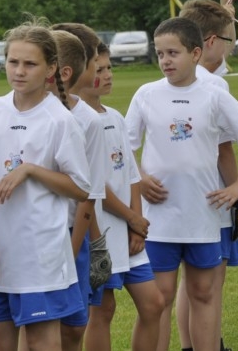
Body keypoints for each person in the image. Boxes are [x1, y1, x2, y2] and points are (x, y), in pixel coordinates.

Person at [125, 17, 238, 351]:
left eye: (173, 53)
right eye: (160, 53)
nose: (165, 60)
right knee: (159, 298)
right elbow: (123, 146)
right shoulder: (146, 94)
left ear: (196, 53)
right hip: (159, 220)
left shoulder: (213, 95)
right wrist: (139, 176)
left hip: (202, 217)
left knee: (203, 293)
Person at [0, 21, 92, 350]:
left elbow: (80, 188)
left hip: (42, 257)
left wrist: (31, 170)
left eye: (30, 64)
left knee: (40, 343)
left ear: (50, 69)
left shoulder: (59, 119)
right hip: (1, 256)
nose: (19, 71)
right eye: (13, 62)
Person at [80, 43, 164, 350]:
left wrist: (137, 223)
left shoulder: (115, 116)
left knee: (153, 304)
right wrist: (131, 218)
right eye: (98, 69)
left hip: (129, 231)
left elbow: (131, 174)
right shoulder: (78, 120)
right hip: (101, 231)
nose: (107, 75)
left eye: (109, 68)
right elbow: (91, 186)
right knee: (103, 310)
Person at [175, 0, 238, 351]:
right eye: (230, 41)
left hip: (182, 196)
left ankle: (192, 345)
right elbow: (225, 149)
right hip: (213, 196)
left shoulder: (178, 77)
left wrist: (224, 10)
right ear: (212, 42)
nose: (232, 48)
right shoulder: (214, 87)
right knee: (210, 283)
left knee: (191, 281)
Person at [45, 26, 110, 351]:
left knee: (73, 327)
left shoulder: (88, 120)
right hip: (37, 231)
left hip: (72, 233)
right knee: (37, 325)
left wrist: (80, 250)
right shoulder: (21, 112)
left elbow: (89, 195)